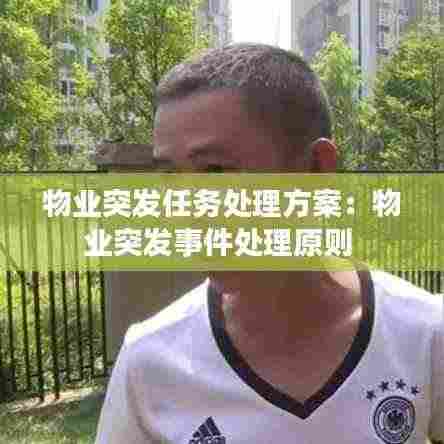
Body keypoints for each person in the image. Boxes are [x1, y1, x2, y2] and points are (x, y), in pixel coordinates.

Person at [94, 43, 444, 444]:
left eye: (216, 171)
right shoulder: (149, 362)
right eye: (170, 176)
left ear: (316, 171)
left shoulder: (424, 335)